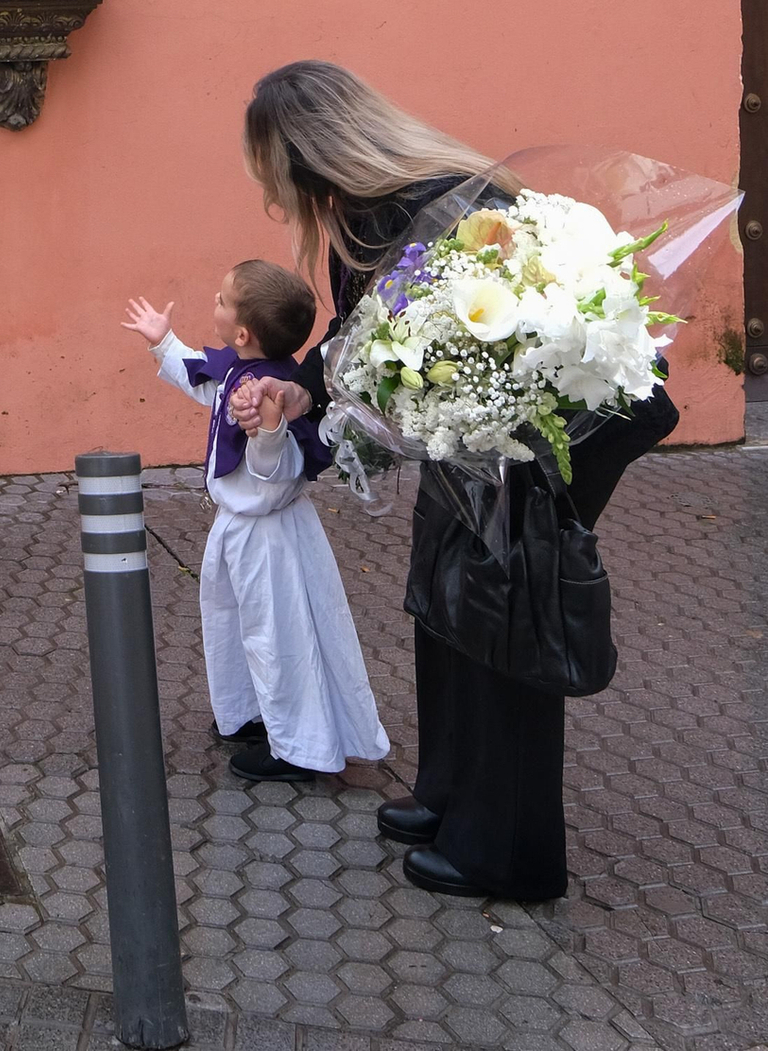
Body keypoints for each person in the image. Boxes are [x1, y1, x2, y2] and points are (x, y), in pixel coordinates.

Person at [231, 59, 678, 902]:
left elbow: (512, 331)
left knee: (503, 624)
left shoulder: (444, 205)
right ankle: (451, 793)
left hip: (543, 440)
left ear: (308, 156)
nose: (273, 191)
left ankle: (507, 854)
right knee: (444, 608)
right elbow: (361, 334)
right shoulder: (367, 213)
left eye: (273, 170)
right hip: (472, 439)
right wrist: (305, 389)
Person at [123, 261, 391, 781]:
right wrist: (163, 341)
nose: (215, 305)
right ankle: (249, 713)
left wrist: (268, 431)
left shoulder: (273, 395)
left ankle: (297, 747)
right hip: (240, 531)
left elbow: (277, 469)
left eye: (222, 301)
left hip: (270, 538)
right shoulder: (242, 374)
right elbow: (204, 380)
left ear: (242, 332)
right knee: (233, 623)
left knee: (277, 637)